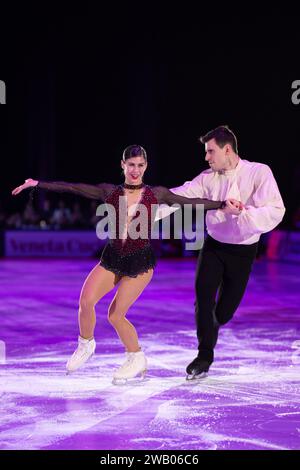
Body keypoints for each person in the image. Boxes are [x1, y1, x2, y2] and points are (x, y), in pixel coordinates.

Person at [11, 145, 238, 384]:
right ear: (123, 165)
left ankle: (136, 357)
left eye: (140, 165)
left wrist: (222, 204)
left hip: (140, 263)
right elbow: (72, 187)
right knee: (86, 301)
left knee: (116, 315)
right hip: (112, 258)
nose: (135, 170)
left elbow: (190, 202)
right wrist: (37, 184)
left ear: (146, 166)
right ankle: (86, 344)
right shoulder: (109, 192)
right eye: (131, 165)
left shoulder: (156, 194)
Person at [170, 126, 286, 380]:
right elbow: (180, 195)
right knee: (203, 297)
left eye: (210, 151)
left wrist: (245, 214)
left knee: (223, 313)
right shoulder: (207, 177)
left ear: (227, 150)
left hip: (243, 253)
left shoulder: (258, 172)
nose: (207, 157)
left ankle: (212, 326)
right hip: (213, 247)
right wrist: (148, 207)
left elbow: (277, 209)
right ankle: (204, 356)